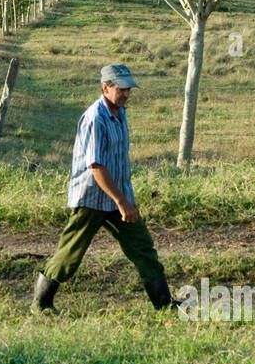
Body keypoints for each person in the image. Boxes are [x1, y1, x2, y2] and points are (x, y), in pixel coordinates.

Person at [33, 63, 176, 314]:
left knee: (143, 247)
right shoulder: (95, 118)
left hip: (119, 197)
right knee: (70, 254)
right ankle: (41, 304)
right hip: (92, 199)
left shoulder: (120, 113)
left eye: (129, 89)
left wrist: (123, 198)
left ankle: (164, 305)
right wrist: (122, 201)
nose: (127, 94)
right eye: (121, 89)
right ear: (105, 87)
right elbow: (96, 166)